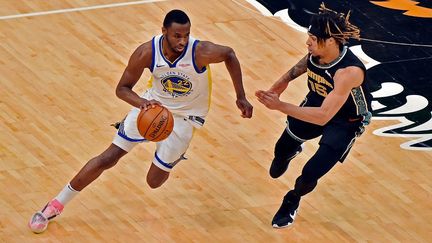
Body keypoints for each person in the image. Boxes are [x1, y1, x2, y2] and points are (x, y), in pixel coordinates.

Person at [29, 9, 253, 233]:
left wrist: (240, 96)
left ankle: (173, 156)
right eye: (177, 35)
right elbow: (121, 89)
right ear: (164, 31)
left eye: (186, 35)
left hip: (185, 117)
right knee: (108, 157)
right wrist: (140, 104)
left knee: (154, 182)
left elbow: (230, 54)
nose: (183, 41)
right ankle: (55, 205)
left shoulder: (200, 52)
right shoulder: (146, 52)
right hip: (151, 107)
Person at [255, 3, 372, 228]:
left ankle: (292, 200)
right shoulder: (316, 52)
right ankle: (288, 153)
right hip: (319, 100)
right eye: (308, 36)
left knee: (310, 173)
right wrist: (277, 86)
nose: (307, 42)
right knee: (281, 150)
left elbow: (323, 117)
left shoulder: (349, 72)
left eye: (312, 38)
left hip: (345, 120)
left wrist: (279, 105)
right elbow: (300, 67)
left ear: (330, 41)